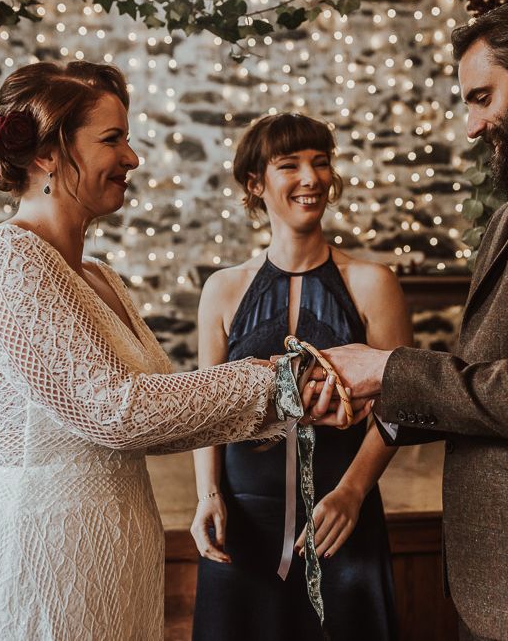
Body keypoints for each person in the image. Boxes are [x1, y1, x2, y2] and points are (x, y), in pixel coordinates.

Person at [0, 62, 365, 641]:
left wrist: (297, 404)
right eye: (112, 139)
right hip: (42, 560)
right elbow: (115, 411)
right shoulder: (3, 258)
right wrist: (279, 383)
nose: (132, 157)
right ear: (47, 154)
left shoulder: (99, 278)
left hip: (119, 558)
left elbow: (167, 413)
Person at [312, 0, 508, 640]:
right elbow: (484, 376)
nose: (474, 126)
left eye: (482, 97)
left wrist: (389, 367)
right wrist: (381, 399)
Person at [190, 113, 412, 640]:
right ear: (255, 183)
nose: (311, 178)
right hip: (242, 521)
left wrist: (353, 492)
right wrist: (207, 495)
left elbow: (400, 405)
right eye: (289, 165)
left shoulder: (372, 283)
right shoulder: (222, 290)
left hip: (341, 518)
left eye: (321, 162)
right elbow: (207, 411)